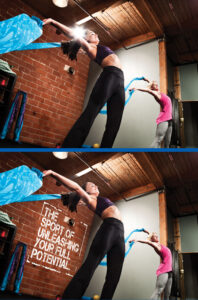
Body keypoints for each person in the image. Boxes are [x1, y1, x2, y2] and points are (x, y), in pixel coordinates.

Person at [43, 170, 125, 300]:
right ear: (86, 192)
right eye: (92, 186)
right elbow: (75, 186)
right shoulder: (91, 199)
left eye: (95, 185)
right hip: (109, 229)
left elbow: (77, 196)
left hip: (120, 232)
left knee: (114, 276)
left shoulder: (93, 199)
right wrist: (54, 173)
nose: (96, 186)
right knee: (88, 268)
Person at [43, 19, 125, 148]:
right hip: (109, 76)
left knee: (115, 122)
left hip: (120, 80)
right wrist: (54, 22)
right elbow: (72, 34)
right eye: (92, 34)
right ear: (85, 40)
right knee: (90, 114)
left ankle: (105, 149)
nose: (96, 34)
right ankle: (69, 146)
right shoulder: (90, 47)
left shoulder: (99, 46)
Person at [129, 230, 173, 300]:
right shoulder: (156, 246)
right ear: (152, 239)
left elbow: (150, 234)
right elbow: (147, 241)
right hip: (164, 270)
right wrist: (136, 240)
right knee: (158, 291)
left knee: (167, 294)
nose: (157, 236)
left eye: (156, 235)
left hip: (170, 270)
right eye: (155, 236)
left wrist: (146, 231)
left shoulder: (158, 244)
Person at [131, 78, 172, 148]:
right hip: (164, 118)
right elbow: (147, 90)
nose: (157, 85)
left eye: (157, 84)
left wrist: (147, 80)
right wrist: (136, 88)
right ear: (152, 87)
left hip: (170, 119)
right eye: (155, 85)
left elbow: (151, 84)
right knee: (158, 140)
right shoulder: (156, 94)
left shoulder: (159, 92)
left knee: (167, 144)